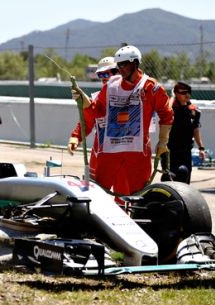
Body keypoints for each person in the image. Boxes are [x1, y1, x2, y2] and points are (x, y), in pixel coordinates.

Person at [68, 45, 173, 196]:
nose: (120, 69)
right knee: (97, 195)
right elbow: (95, 112)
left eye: (122, 65)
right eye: (118, 65)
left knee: (135, 197)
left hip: (137, 154)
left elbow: (166, 113)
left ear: (135, 63)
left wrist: (163, 141)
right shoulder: (110, 87)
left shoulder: (151, 87)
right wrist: (84, 100)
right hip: (109, 152)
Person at [162, 82, 205, 184]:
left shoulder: (193, 111)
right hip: (170, 151)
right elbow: (167, 109)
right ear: (176, 94)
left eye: (189, 92)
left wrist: (201, 148)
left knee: (184, 177)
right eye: (183, 92)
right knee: (170, 178)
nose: (187, 95)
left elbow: (195, 130)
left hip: (185, 151)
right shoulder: (172, 109)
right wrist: (172, 96)